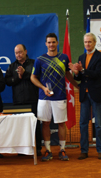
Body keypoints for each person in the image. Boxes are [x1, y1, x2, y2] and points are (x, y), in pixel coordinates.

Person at [30, 33, 78, 161]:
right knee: (45, 124)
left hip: (60, 96)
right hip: (44, 98)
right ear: (46, 44)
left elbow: (68, 75)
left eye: (53, 42)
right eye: (49, 42)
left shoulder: (64, 58)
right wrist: (43, 88)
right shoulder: (40, 60)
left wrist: (77, 86)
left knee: (61, 124)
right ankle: (48, 150)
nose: (51, 44)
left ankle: (62, 150)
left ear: (57, 43)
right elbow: (33, 77)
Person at [69, 32, 101, 160]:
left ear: (95, 42)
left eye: (90, 42)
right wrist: (76, 72)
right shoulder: (81, 57)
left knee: (99, 124)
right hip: (84, 95)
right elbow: (79, 77)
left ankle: (100, 150)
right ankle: (84, 150)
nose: (87, 44)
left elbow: (97, 74)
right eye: (85, 42)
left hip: (96, 93)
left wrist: (83, 70)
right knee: (83, 123)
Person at [5, 44, 42, 156]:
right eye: (16, 53)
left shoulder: (33, 63)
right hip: (18, 102)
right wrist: (18, 77)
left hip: (33, 100)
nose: (18, 55)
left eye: (20, 52)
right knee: (19, 126)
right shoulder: (12, 66)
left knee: (35, 125)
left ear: (25, 51)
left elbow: (38, 78)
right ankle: (21, 150)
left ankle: (38, 148)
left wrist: (24, 74)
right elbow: (7, 81)